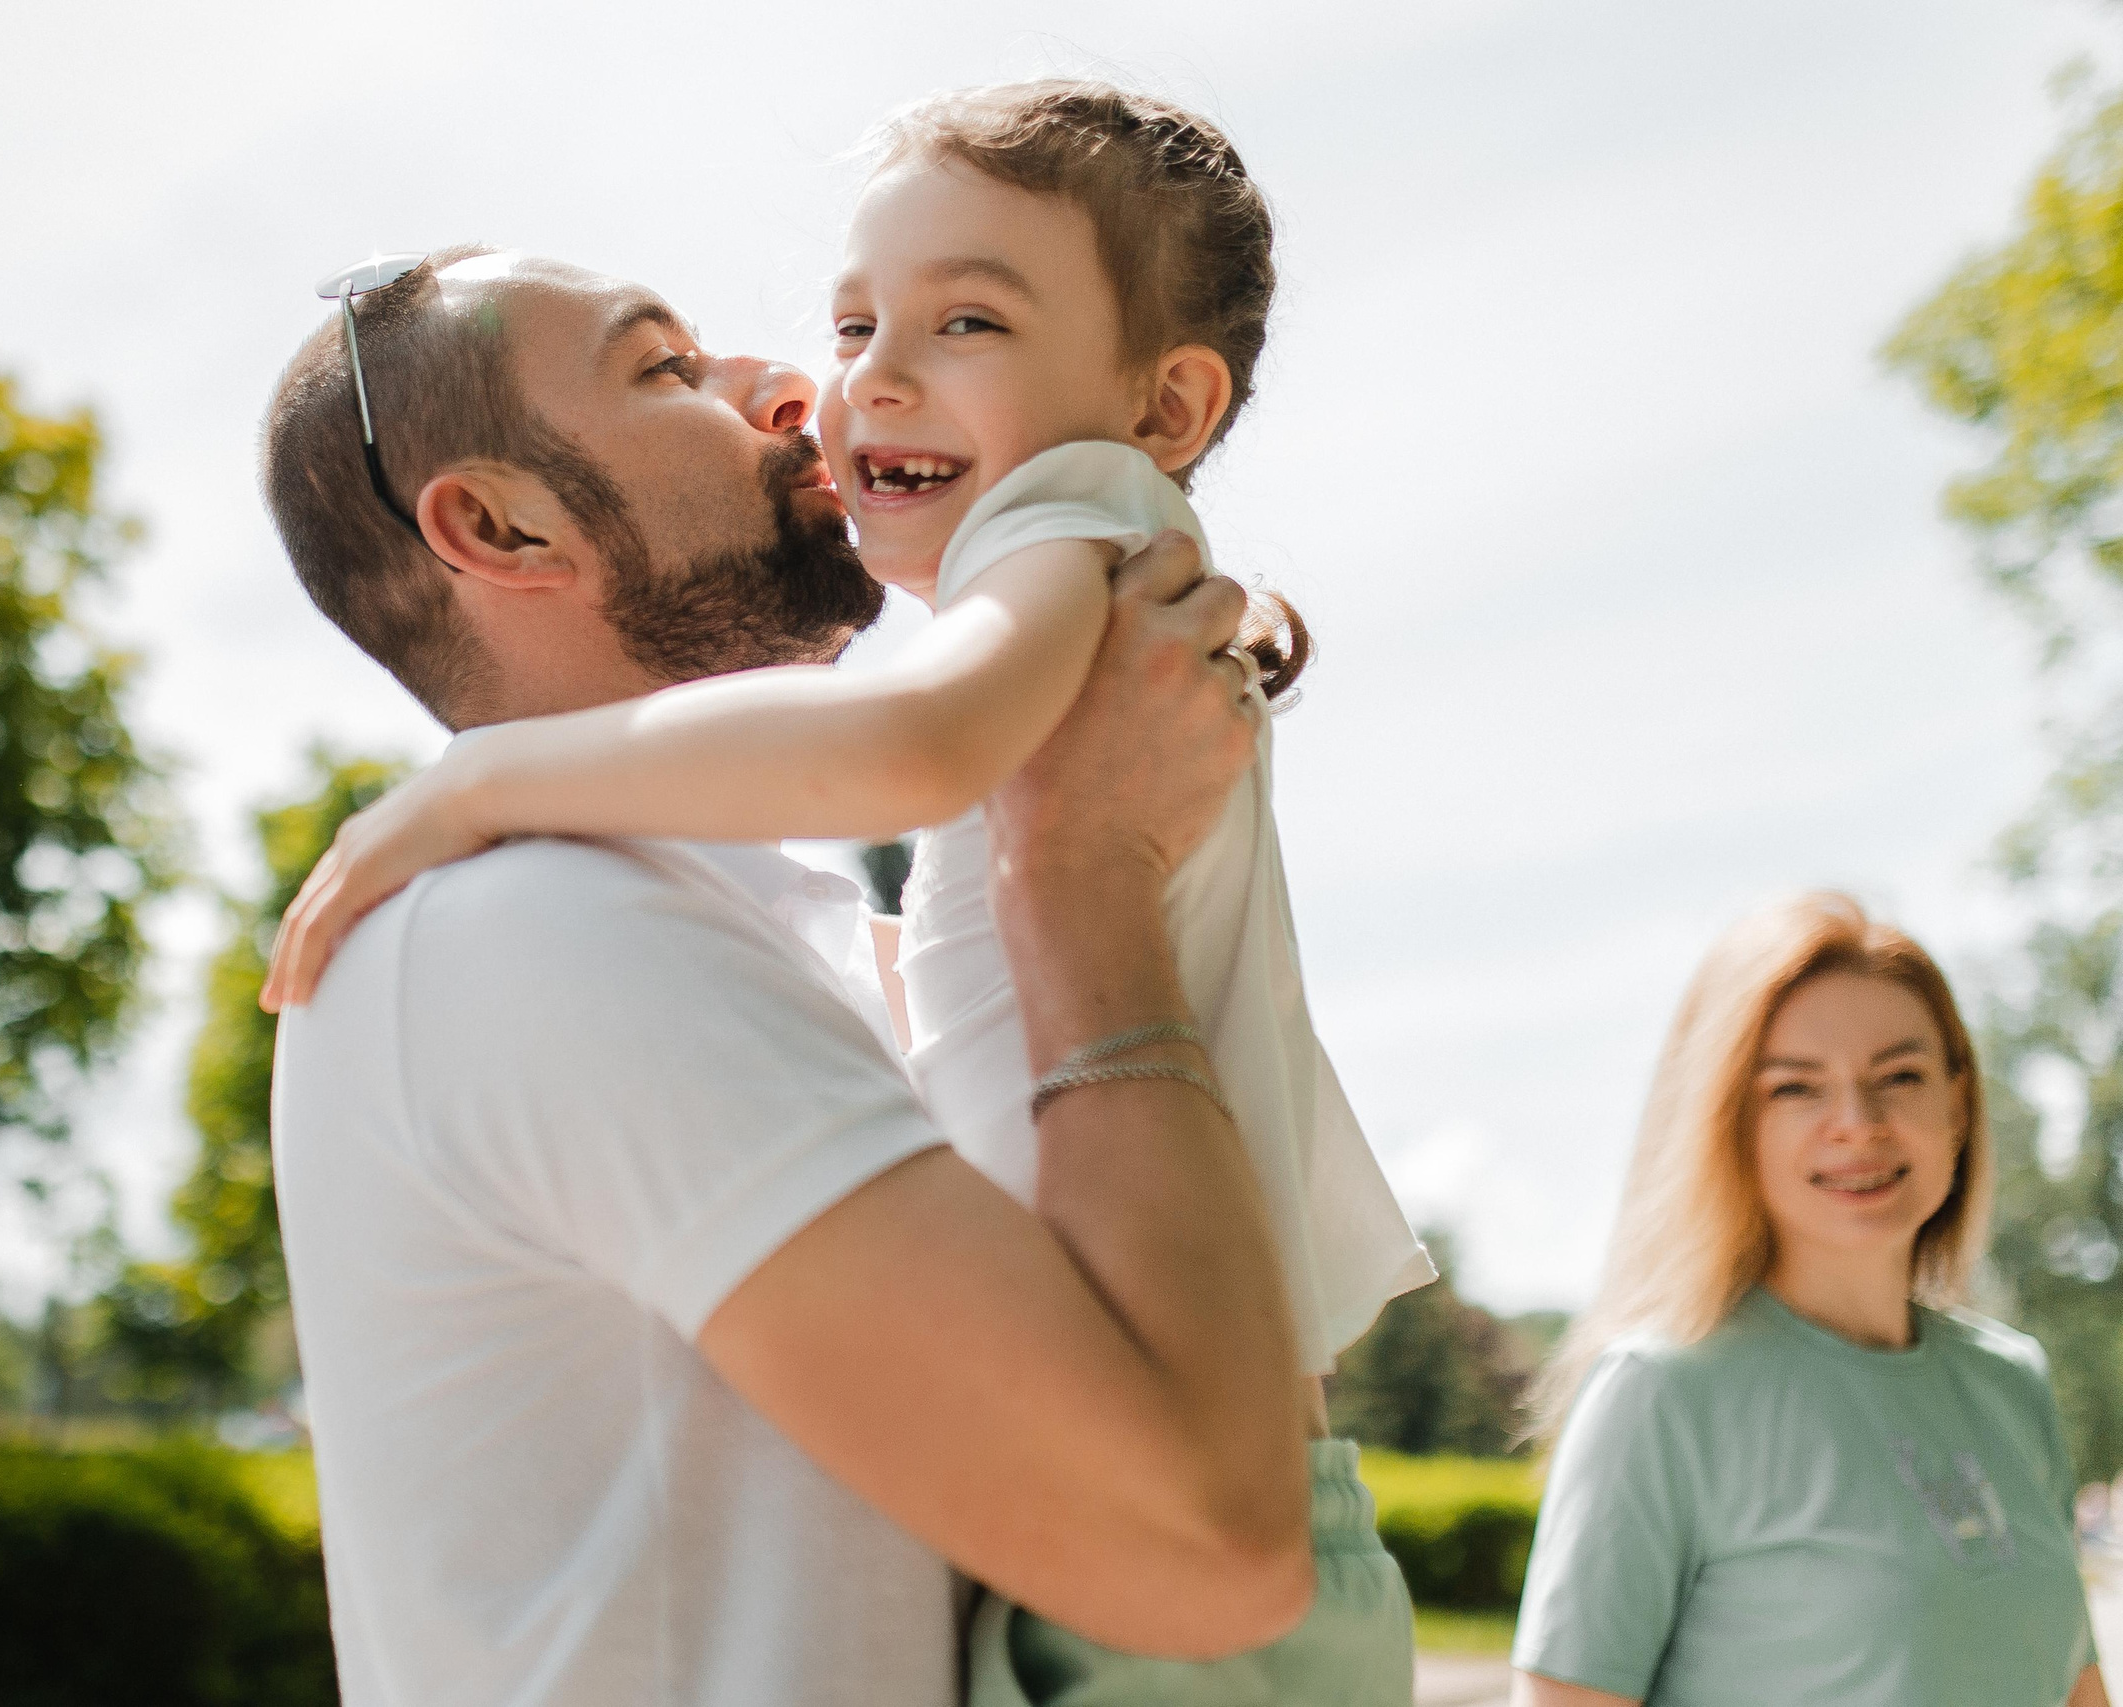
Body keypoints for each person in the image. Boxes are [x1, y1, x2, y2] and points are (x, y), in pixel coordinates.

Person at [262, 82, 1429, 1705]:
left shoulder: (759, 924)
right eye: (668, 367)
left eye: (958, 318)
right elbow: (1207, 1557)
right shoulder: (529, 931)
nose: (803, 384)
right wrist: (1079, 871)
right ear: (502, 522)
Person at [1511, 893, 2106, 1707]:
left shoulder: (2011, 1382)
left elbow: (2076, 1688)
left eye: (1900, 1076)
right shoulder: (1661, 1393)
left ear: (1958, 1102)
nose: (1857, 1123)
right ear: (1728, 1120)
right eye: (1796, 1088)